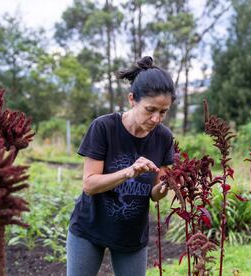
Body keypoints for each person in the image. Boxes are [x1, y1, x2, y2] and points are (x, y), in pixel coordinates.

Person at [66, 56, 176, 276]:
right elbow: (89, 185)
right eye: (150, 109)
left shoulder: (164, 137)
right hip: (90, 228)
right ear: (132, 99)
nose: (156, 119)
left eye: (163, 112)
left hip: (131, 233)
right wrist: (129, 172)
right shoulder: (104, 128)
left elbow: (155, 195)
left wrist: (167, 185)